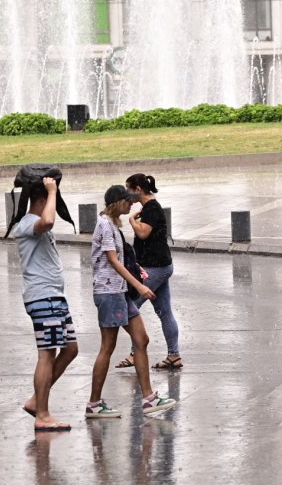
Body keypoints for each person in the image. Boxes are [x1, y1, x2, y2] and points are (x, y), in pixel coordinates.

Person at [87, 185, 177, 418]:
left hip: (120, 292)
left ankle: (149, 398)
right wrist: (139, 286)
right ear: (117, 202)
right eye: (127, 201)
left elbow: (120, 259)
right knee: (108, 347)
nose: (131, 204)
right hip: (109, 292)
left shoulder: (113, 225)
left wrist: (136, 270)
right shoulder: (106, 225)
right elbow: (113, 261)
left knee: (141, 339)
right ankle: (94, 404)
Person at [13, 177, 78, 432]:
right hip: (42, 297)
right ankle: (42, 413)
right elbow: (49, 220)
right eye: (50, 199)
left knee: (70, 349)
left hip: (54, 297)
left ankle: (35, 401)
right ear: (42, 199)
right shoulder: (29, 224)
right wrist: (52, 190)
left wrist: (50, 192)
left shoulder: (34, 225)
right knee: (47, 354)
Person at [115, 173, 183, 370]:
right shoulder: (148, 208)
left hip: (156, 268)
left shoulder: (151, 207)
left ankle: (136, 353)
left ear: (138, 189)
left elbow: (143, 233)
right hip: (160, 266)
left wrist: (132, 222)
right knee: (164, 311)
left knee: (131, 306)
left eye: (128, 189)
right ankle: (174, 355)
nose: (127, 194)